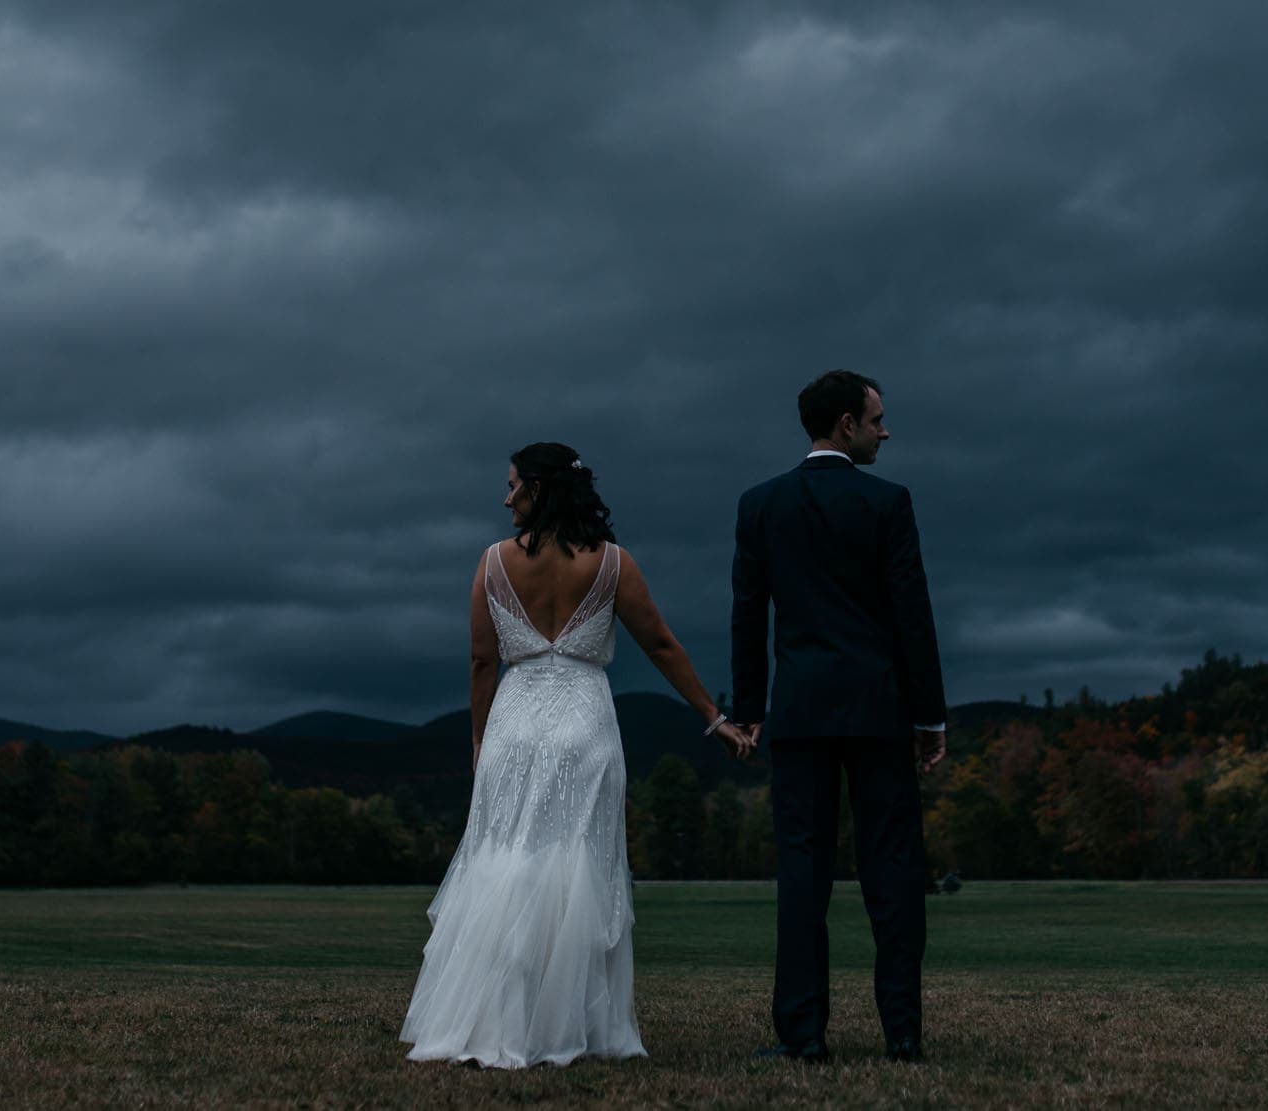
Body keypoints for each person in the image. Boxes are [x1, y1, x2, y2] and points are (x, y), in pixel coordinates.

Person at [401, 441, 754, 1068]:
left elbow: (484, 662)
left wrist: (480, 739)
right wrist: (713, 718)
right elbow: (664, 646)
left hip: (514, 725)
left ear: (542, 490)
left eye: (514, 486)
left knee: (506, 861)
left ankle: (496, 1019)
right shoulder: (613, 564)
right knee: (579, 869)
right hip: (585, 727)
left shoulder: (491, 563)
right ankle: (578, 1025)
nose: (506, 498)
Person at [731, 370, 947, 1064]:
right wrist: (929, 714)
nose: (886, 431)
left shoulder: (760, 504)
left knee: (802, 871)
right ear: (846, 424)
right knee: (893, 868)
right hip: (879, 710)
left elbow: (747, 614)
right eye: (878, 419)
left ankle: (803, 1034)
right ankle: (903, 1032)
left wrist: (750, 708)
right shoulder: (888, 502)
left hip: (797, 710)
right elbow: (912, 614)